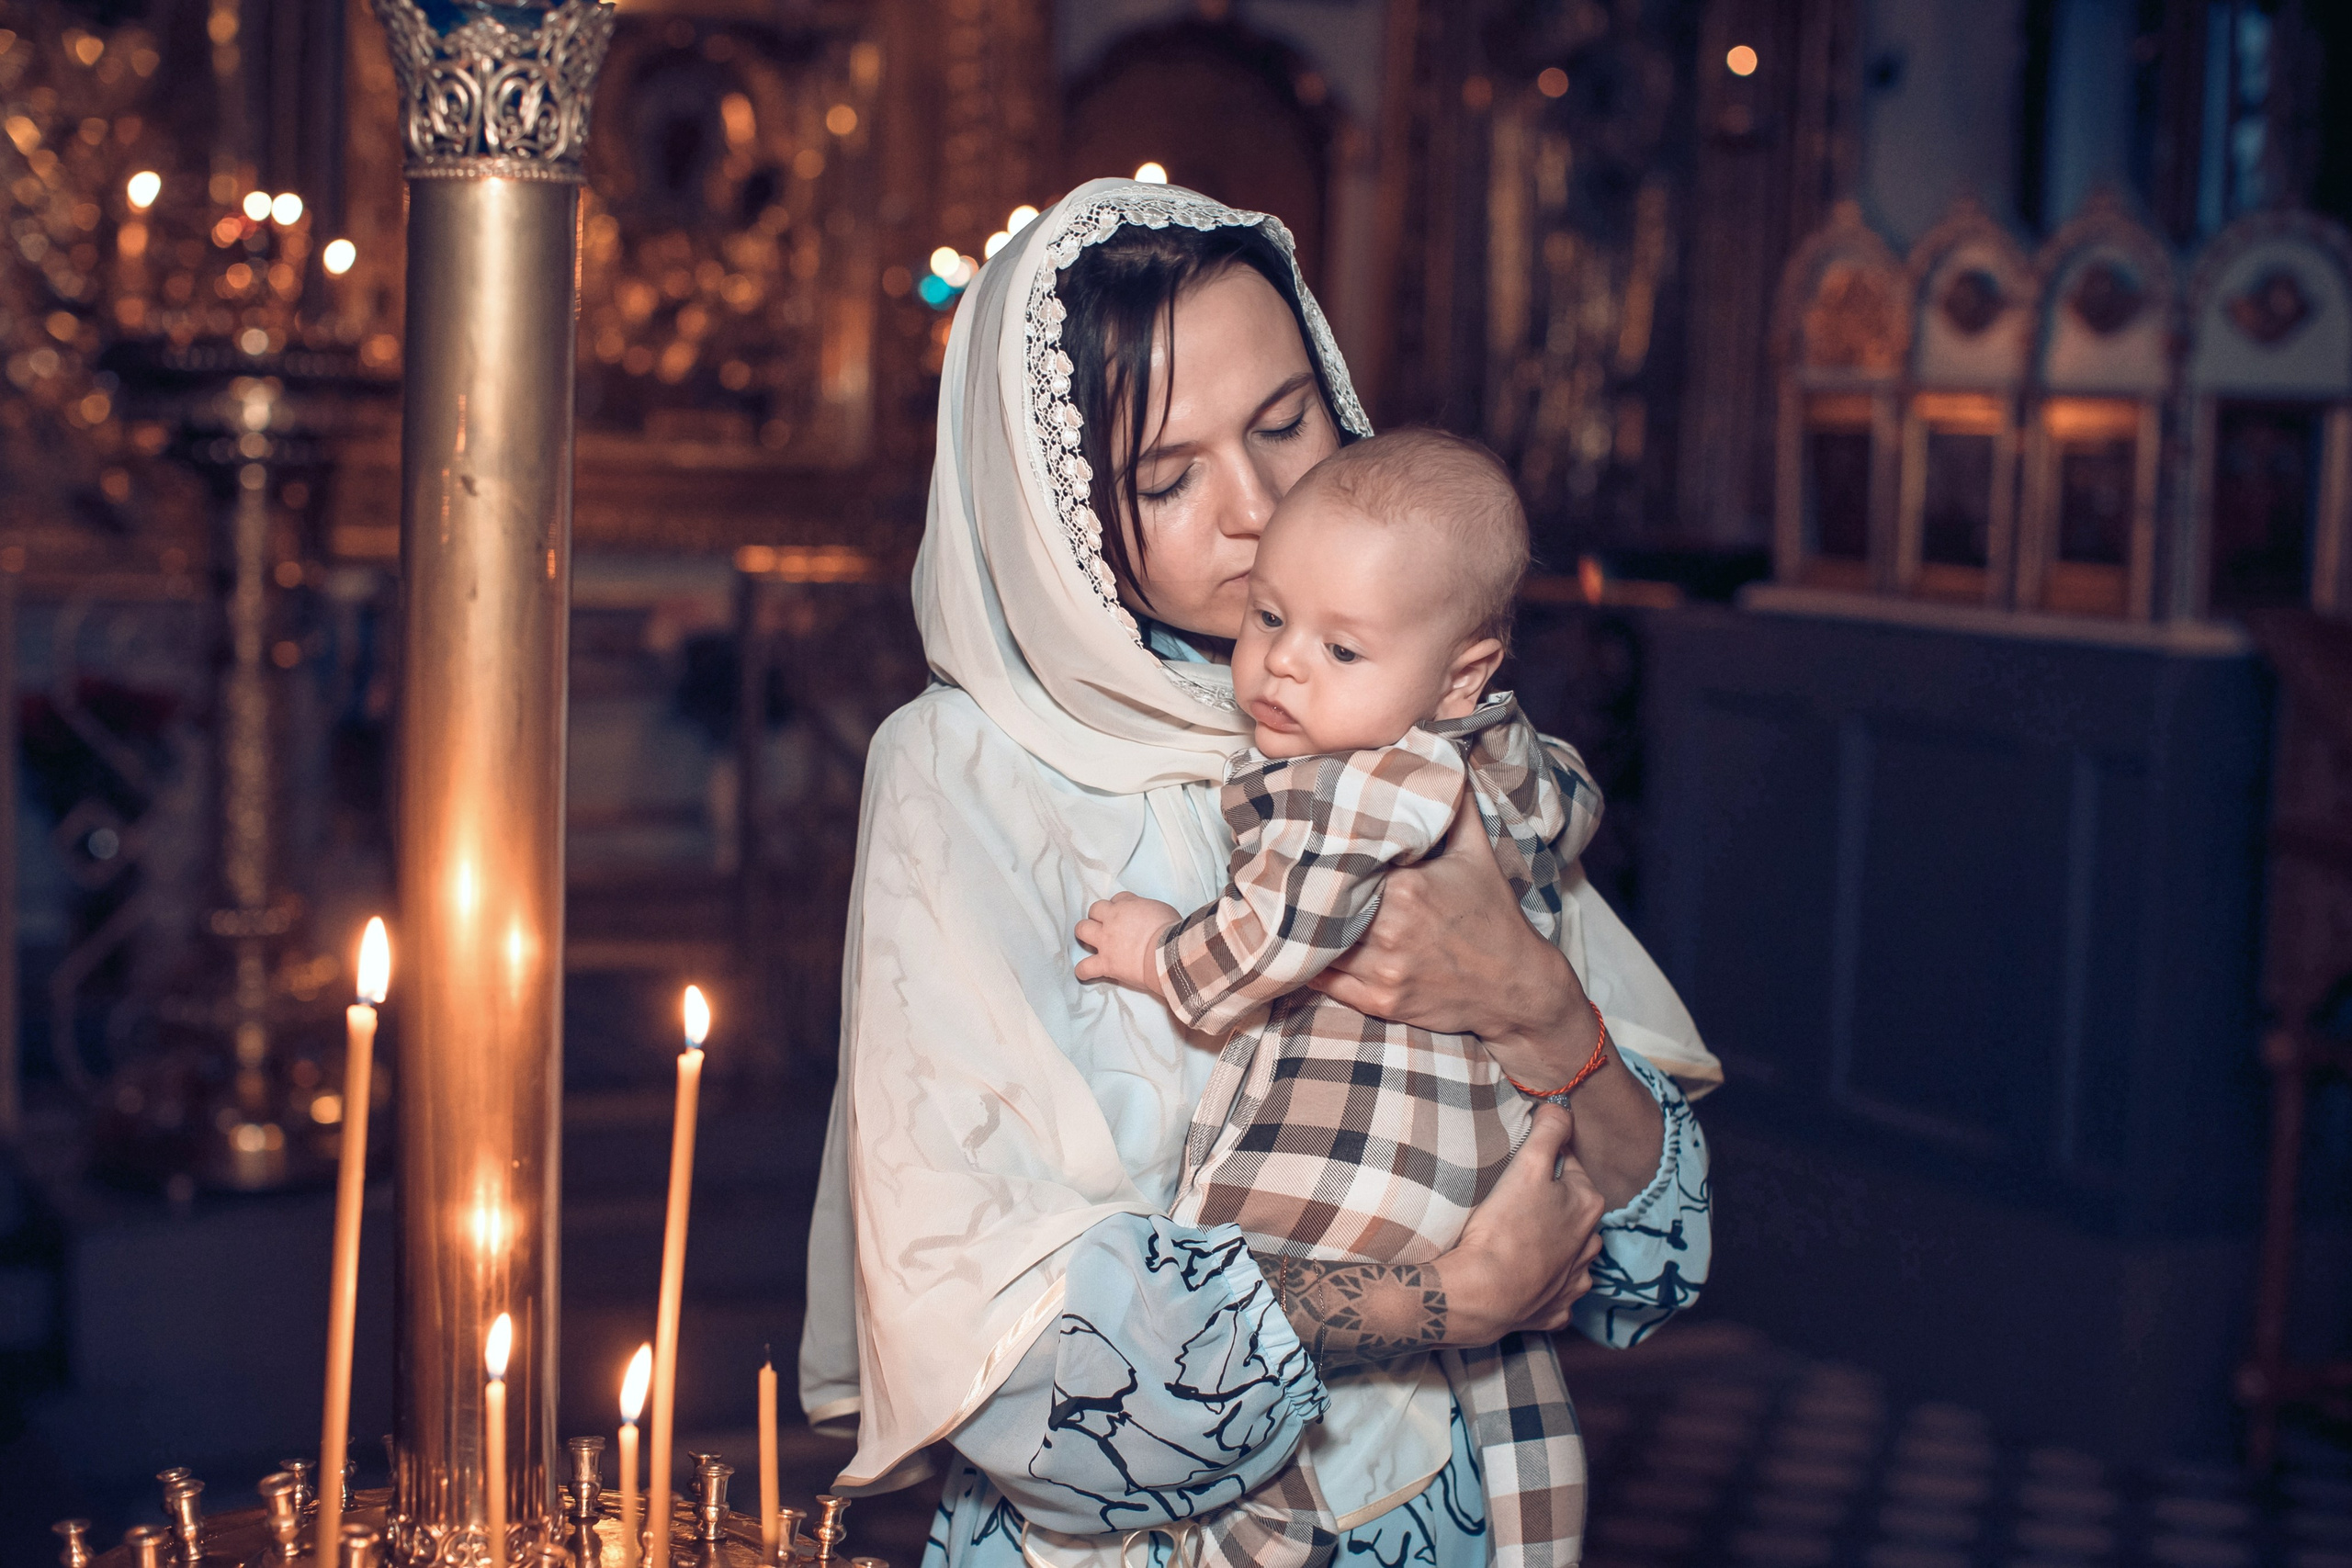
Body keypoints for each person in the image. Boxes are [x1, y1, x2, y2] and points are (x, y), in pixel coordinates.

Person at [798, 179, 1719, 1568]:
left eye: (1287, 422)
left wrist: (1530, 1003)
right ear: (1054, 508)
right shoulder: (962, 772)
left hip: (1445, 1512)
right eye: (1167, 478)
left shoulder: (1416, 720)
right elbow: (1009, 1349)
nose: (1261, 505)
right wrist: (1440, 1298)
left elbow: (1655, 1261)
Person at [1071, 426, 1656, 1568]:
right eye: (1272, 619)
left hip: (1356, 1154)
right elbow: (1567, 804)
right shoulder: (1502, 752)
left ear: (1460, 674)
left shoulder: (1363, 783)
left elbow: (1264, 945)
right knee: (1505, 1440)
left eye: (1343, 649)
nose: (1283, 665)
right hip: (1477, 1159)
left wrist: (1156, 953)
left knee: (1222, 1331)